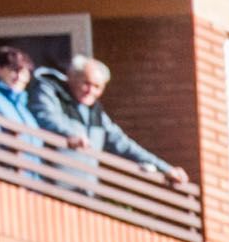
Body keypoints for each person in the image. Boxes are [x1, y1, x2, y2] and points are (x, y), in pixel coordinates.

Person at [29, 55, 172, 177]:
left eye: (97, 87)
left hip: (86, 194)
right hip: (51, 190)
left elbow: (122, 144)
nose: (91, 91)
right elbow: (45, 117)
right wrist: (69, 135)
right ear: (71, 78)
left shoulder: (95, 112)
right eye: (86, 83)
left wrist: (165, 169)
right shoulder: (51, 92)